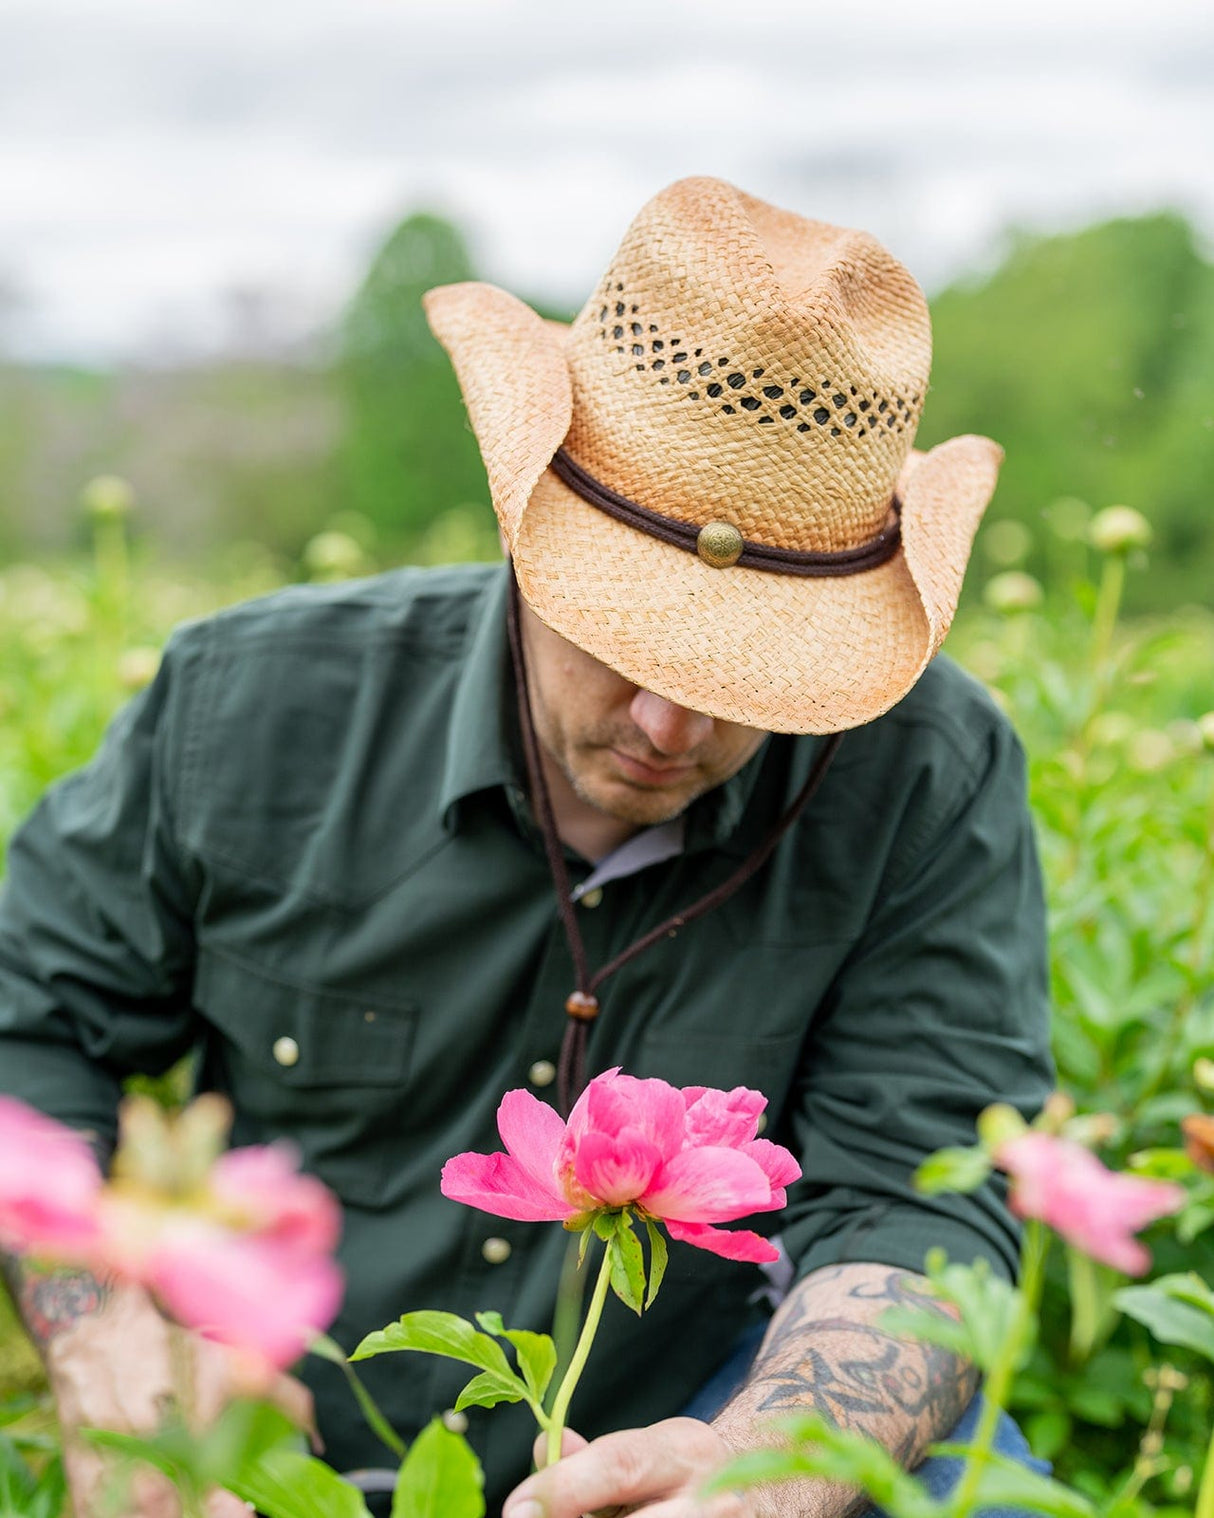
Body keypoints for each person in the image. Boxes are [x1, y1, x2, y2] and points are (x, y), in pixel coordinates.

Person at [0, 177, 1053, 1517]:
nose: (672, 722)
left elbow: (917, 1192)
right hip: (289, 1426)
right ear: (527, 529)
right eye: (622, 641)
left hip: (708, 1396)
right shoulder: (247, 708)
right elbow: (27, 1028)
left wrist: (776, 1467)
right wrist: (107, 1343)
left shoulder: (922, 768)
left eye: (755, 670)